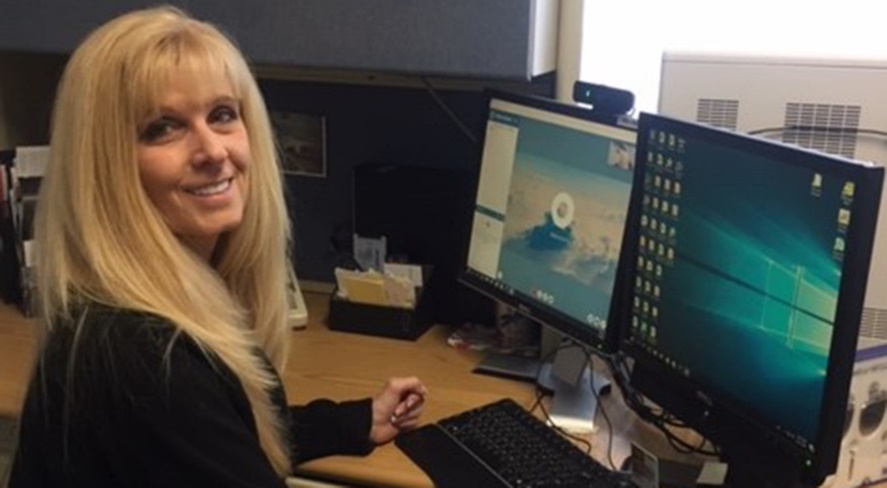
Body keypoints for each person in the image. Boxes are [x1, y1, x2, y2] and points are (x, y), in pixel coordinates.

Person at [8, 6, 427, 487]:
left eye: (222, 114)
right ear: (106, 167)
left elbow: (225, 434)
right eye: (162, 127)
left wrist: (356, 422)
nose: (212, 150)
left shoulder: (150, 312)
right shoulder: (143, 356)